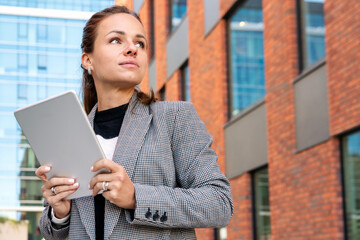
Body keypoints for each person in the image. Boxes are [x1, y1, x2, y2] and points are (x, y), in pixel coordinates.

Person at [35, 5, 233, 240]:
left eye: (140, 43)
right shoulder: (70, 133)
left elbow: (219, 203)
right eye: (116, 40)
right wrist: (59, 212)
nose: (132, 49)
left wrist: (136, 197)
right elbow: (51, 231)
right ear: (88, 60)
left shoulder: (175, 117)